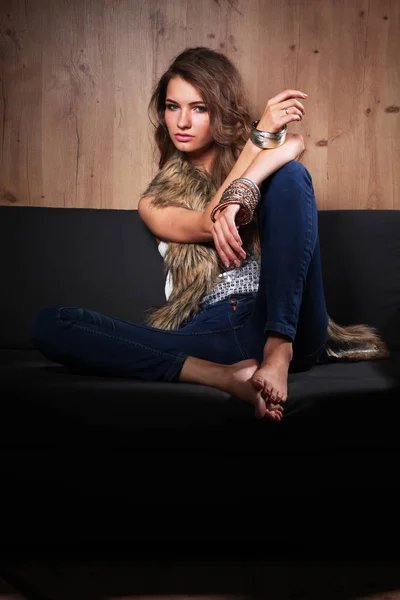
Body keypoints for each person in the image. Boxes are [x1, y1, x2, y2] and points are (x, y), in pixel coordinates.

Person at [31, 47, 387, 421]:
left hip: (290, 319)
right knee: (53, 325)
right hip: (217, 331)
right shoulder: (154, 202)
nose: (182, 121)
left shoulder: (264, 163)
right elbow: (206, 222)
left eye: (198, 108)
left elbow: (294, 145)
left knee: (292, 174)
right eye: (172, 107)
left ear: (220, 111)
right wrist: (255, 152)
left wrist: (244, 186)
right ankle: (222, 377)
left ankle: (278, 350)